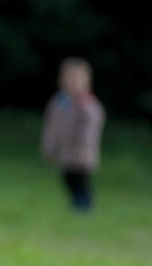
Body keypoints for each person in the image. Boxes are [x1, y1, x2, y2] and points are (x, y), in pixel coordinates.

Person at [40, 57, 105, 211]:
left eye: (77, 78)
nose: (73, 82)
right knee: (68, 179)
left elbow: (90, 129)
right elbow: (52, 127)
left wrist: (84, 146)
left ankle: (85, 207)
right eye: (69, 77)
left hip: (81, 153)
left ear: (87, 81)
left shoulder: (88, 104)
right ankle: (76, 205)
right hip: (65, 152)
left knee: (80, 180)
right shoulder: (59, 102)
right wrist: (49, 146)